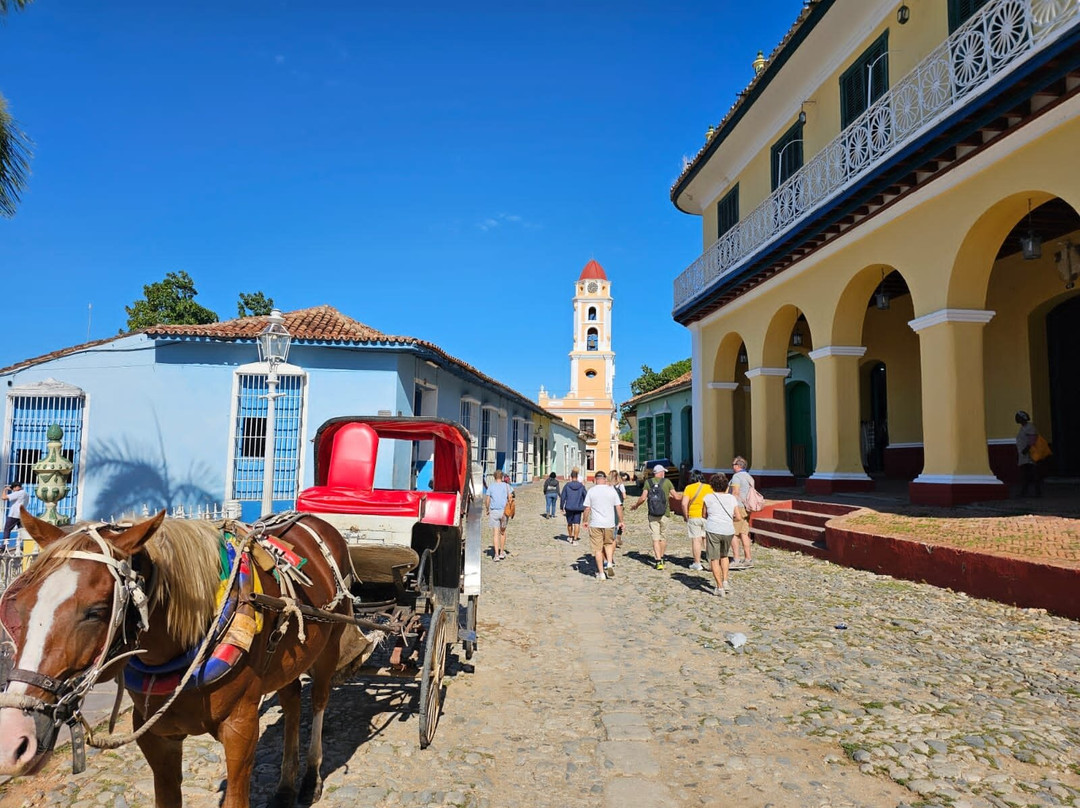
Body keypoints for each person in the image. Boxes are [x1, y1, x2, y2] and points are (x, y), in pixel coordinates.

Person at [701, 473, 745, 597]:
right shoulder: (731, 498)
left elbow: (704, 514)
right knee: (724, 555)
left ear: (712, 486)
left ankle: (719, 587)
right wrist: (729, 521)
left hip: (713, 529)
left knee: (714, 559)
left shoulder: (708, 497)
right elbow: (738, 517)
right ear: (726, 486)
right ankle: (725, 581)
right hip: (728, 530)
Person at [630, 465, 682, 569]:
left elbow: (643, 498)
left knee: (655, 537)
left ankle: (658, 561)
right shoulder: (667, 482)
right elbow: (676, 496)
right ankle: (661, 557)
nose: (664, 473)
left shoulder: (648, 483)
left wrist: (636, 505)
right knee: (662, 536)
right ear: (661, 472)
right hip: (665, 513)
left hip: (652, 513)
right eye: (664, 472)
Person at [582, 470, 624, 581]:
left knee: (598, 549)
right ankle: (609, 562)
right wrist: (621, 521)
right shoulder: (611, 490)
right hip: (609, 523)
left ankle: (601, 573)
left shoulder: (591, 491)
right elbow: (618, 506)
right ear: (605, 479)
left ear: (595, 480)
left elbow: (587, 508)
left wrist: (585, 520)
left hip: (596, 523)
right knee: (609, 544)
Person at [680, 470, 713, 571]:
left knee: (696, 540)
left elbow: (684, 503)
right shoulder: (709, 487)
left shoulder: (689, 488)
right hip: (707, 517)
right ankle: (712, 563)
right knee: (707, 540)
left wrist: (686, 516)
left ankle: (697, 563)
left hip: (694, 516)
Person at [727, 456, 756, 568]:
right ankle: (748, 558)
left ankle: (736, 559)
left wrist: (731, 507)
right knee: (744, 533)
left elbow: (735, 492)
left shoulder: (736, 477)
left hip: (738, 507)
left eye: (733, 464)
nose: (732, 466)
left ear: (738, 466)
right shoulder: (749, 477)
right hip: (747, 507)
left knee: (733, 533)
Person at [483, 469, 513, 561]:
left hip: (494, 512)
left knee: (495, 533)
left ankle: (496, 555)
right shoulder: (507, 486)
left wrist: (487, 509)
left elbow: (487, 500)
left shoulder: (491, 487)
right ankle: (501, 552)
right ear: (502, 477)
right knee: (502, 532)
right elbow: (511, 498)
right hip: (504, 512)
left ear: (494, 477)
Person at [1015, 410, 1041, 498]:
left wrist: (1026, 449)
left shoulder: (1029, 427)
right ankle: (1025, 491)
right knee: (1026, 474)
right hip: (1024, 455)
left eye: (1018, 417)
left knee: (1031, 474)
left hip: (1029, 455)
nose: (1016, 419)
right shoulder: (1023, 427)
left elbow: (1032, 439)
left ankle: (1036, 492)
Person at [559, 467, 588, 544]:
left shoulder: (567, 485)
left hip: (569, 507)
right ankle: (575, 539)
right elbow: (586, 495)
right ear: (577, 477)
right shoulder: (581, 486)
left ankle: (570, 537)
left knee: (569, 523)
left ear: (571, 477)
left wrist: (561, 507)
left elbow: (563, 497)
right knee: (577, 523)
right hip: (578, 507)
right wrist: (585, 505)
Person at [1, 481, 29, 552]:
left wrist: (5, 490)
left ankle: (4, 546)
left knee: (7, 529)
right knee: (21, 530)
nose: (12, 489)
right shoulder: (26, 493)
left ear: (17, 487)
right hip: (22, 514)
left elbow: (3, 498)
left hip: (14, 514)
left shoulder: (18, 493)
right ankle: (23, 545)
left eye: (13, 488)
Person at [608, 469, 627, 548]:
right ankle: (616, 537)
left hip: (609, 506)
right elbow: (624, 496)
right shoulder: (620, 485)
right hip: (618, 505)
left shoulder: (608, 485)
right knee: (618, 522)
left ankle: (610, 537)